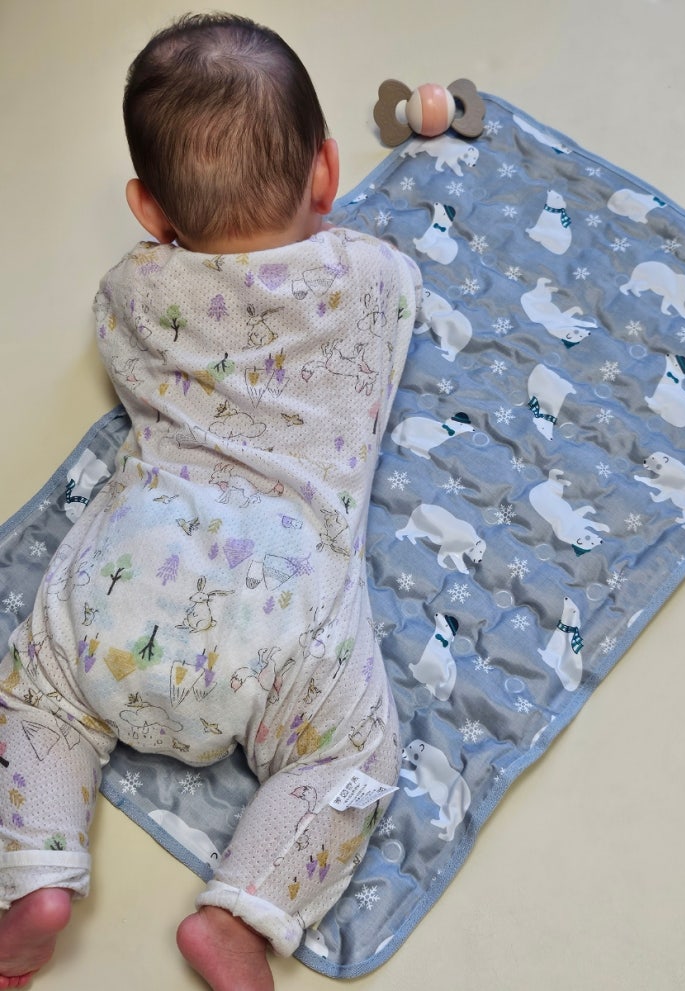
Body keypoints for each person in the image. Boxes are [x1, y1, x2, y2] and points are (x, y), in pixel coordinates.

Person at [0, 13, 421, 990]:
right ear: (326, 171)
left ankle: (37, 870)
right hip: (288, 607)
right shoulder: (376, 280)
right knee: (349, 756)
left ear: (148, 208)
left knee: (38, 698)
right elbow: (396, 297)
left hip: (127, 576)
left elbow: (121, 349)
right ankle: (240, 913)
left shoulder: (131, 291)